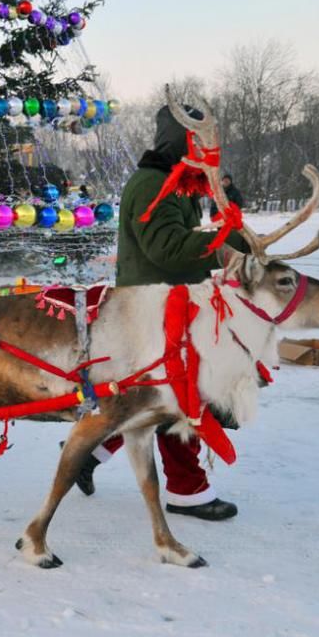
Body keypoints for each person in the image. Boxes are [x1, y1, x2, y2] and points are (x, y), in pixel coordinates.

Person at [75, 104, 242, 521]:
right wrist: (218, 244)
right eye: (199, 141)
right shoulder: (153, 185)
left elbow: (195, 242)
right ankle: (188, 490)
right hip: (152, 310)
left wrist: (227, 219)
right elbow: (164, 248)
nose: (207, 150)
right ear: (182, 141)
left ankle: (87, 452)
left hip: (171, 305)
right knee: (176, 398)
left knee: (151, 397)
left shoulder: (177, 184)